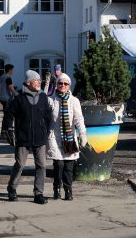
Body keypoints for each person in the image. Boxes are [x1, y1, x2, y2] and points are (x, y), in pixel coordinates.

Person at [6, 69, 53, 205]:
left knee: (41, 165)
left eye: (39, 80)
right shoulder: (19, 98)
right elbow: (9, 114)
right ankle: (12, 188)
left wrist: (47, 129)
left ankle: (38, 193)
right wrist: (9, 129)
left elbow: (48, 115)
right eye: (36, 80)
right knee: (20, 164)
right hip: (23, 136)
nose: (39, 82)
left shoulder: (43, 97)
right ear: (28, 83)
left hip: (40, 137)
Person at [47, 73, 87, 201]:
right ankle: (56, 188)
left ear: (69, 85)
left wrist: (83, 133)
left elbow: (78, 119)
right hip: (55, 137)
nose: (62, 85)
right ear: (56, 85)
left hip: (69, 137)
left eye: (65, 84)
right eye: (60, 83)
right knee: (58, 165)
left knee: (69, 166)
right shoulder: (51, 99)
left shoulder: (74, 101)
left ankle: (68, 190)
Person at [0, 64, 17, 144]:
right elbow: (10, 88)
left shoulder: (2, 76)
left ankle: (3, 133)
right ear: (9, 70)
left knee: (5, 115)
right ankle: (7, 133)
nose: (13, 71)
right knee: (9, 116)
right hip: (7, 99)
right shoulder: (8, 77)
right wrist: (17, 94)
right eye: (12, 70)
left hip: (2, 98)